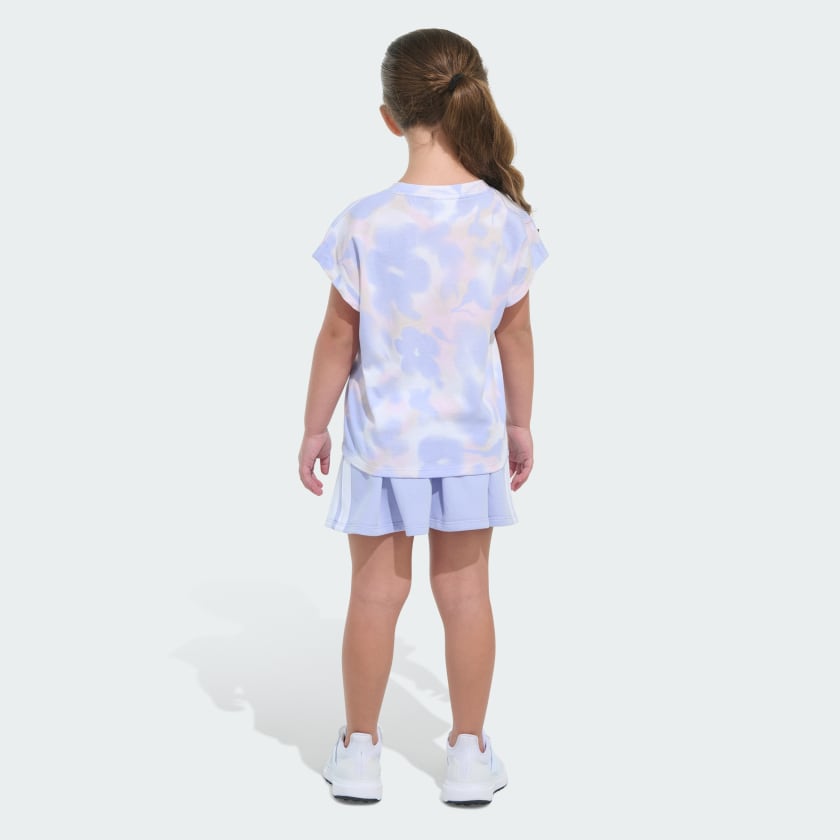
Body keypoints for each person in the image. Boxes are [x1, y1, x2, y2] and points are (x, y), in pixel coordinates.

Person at [298, 27, 548, 806]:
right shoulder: (506, 222)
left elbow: (337, 338)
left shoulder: (364, 222)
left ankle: (359, 751)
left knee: (374, 596)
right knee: (466, 597)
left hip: (382, 445)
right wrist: (519, 424)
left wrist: (313, 427)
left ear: (389, 116)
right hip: (468, 443)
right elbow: (516, 337)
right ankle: (468, 754)